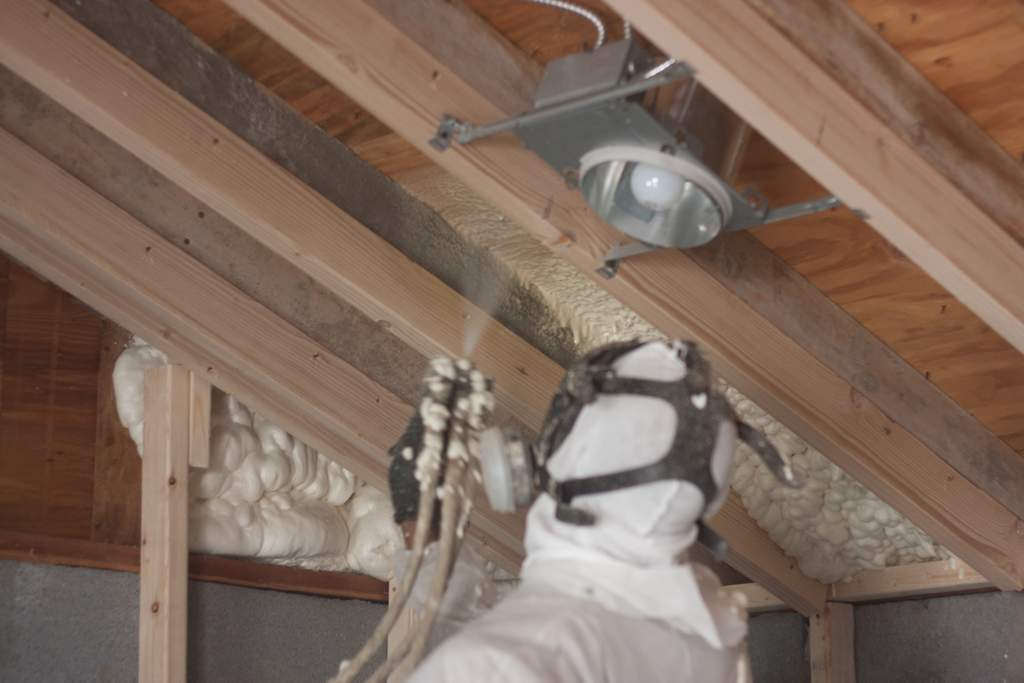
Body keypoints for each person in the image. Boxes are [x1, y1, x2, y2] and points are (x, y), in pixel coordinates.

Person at [395, 339, 793, 682]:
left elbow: (505, 651)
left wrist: (419, 525)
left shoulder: (505, 659)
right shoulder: (706, 635)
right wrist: (427, 533)